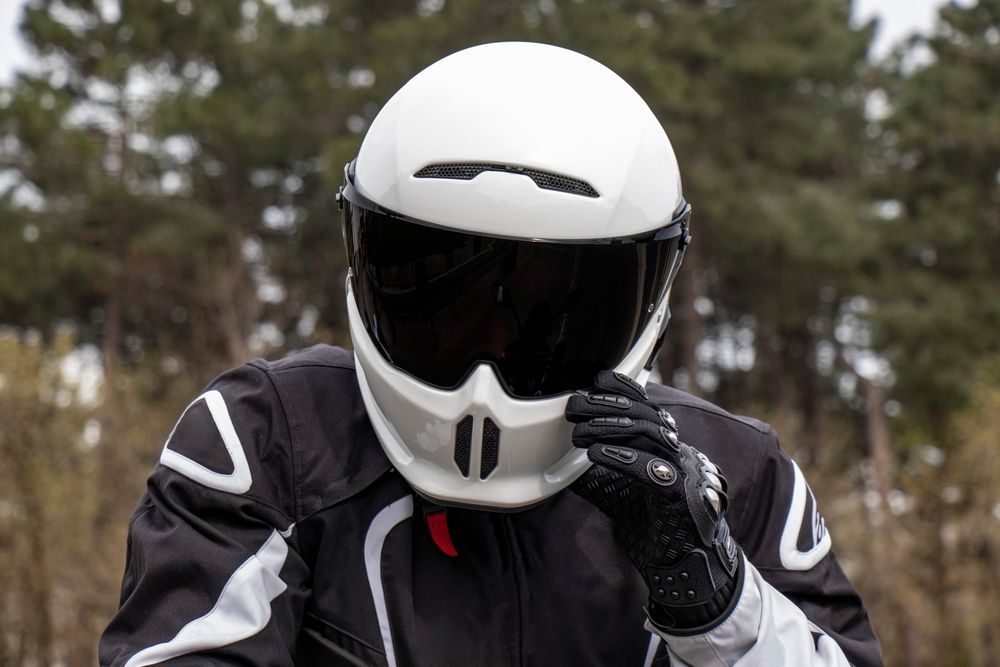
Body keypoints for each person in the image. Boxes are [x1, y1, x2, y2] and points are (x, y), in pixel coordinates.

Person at [99, 42, 883, 666]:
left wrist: (713, 595)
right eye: (454, 305)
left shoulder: (738, 473)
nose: (489, 368)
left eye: (547, 318)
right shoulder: (271, 440)